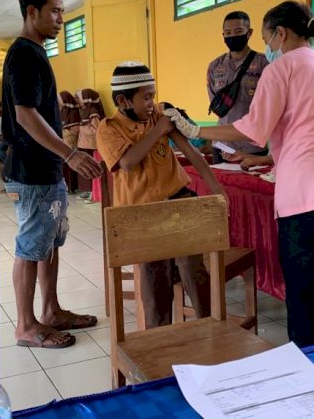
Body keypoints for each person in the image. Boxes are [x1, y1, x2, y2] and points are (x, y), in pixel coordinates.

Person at [167, 1, 314, 347]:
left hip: (306, 194)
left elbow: (253, 129)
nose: (267, 47)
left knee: (304, 287)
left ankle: (308, 365)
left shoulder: (281, 70)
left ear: (280, 33)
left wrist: (196, 130)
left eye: (266, 38)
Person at [3, 0, 102, 349]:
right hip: (30, 172)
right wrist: (71, 153)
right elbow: (26, 115)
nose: (61, 18)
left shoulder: (37, 52)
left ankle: (51, 310)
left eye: (62, 11)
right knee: (31, 246)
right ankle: (26, 326)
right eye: (55, 11)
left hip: (46, 170)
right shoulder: (24, 53)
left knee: (49, 242)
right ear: (32, 12)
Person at [96, 62, 224, 328]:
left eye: (153, 95)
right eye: (145, 97)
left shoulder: (161, 115)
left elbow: (192, 154)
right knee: (155, 282)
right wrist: (158, 131)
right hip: (142, 214)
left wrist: (218, 193)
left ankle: (210, 329)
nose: (151, 103)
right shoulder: (108, 129)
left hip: (178, 200)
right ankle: (158, 341)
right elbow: (129, 162)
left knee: (194, 268)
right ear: (123, 101)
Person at [207, 11, 270, 166]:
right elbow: (216, 104)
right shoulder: (215, 66)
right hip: (222, 146)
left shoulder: (265, 64)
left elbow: (269, 106)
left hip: (252, 147)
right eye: (227, 33)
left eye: (238, 32)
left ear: (249, 33)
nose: (232, 36)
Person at [76, 88, 104, 202]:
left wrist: (81, 128)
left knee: (93, 169)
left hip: (93, 145)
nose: (78, 101)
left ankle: (95, 194)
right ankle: (90, 192)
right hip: (87, 145)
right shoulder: (85, 110)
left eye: (80, 98)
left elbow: (96, 129)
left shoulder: (93, 111)